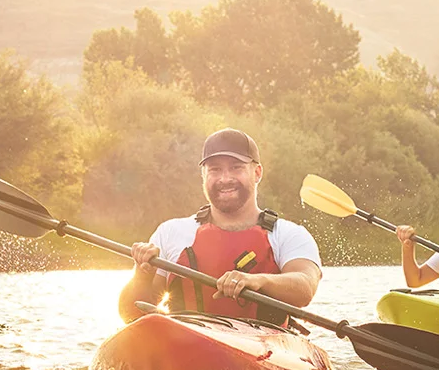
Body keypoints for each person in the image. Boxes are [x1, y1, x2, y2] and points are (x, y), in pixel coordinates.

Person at [118, 128, 323, 325]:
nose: (225, 179)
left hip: (264, 348)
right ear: (203, 175)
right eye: (215, 169)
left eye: (236, 167)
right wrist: (142, 274)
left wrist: (259, 281)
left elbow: (305, 288)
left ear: (257, 172)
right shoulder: (170, 232)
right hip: (186, 344)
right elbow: (131, 315)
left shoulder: (289, 235)